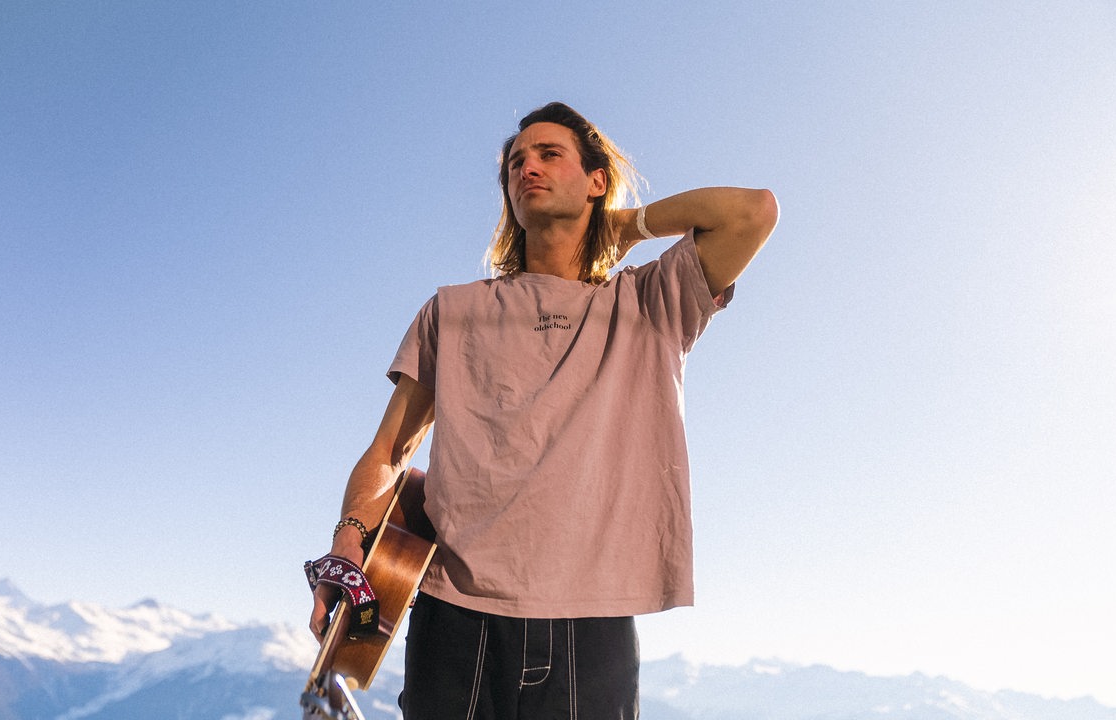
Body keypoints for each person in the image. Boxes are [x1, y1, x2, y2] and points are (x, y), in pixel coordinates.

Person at [309, 101, 778, 719]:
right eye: (514, 162)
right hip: (455, 613)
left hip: (592, 621)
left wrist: (625, 225)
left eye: (549, 154)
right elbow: (390, 453)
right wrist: (345, 548)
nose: (526, 167)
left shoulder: (651, 302)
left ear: (596, 181)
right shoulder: (451, 311)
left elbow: (751, 213)